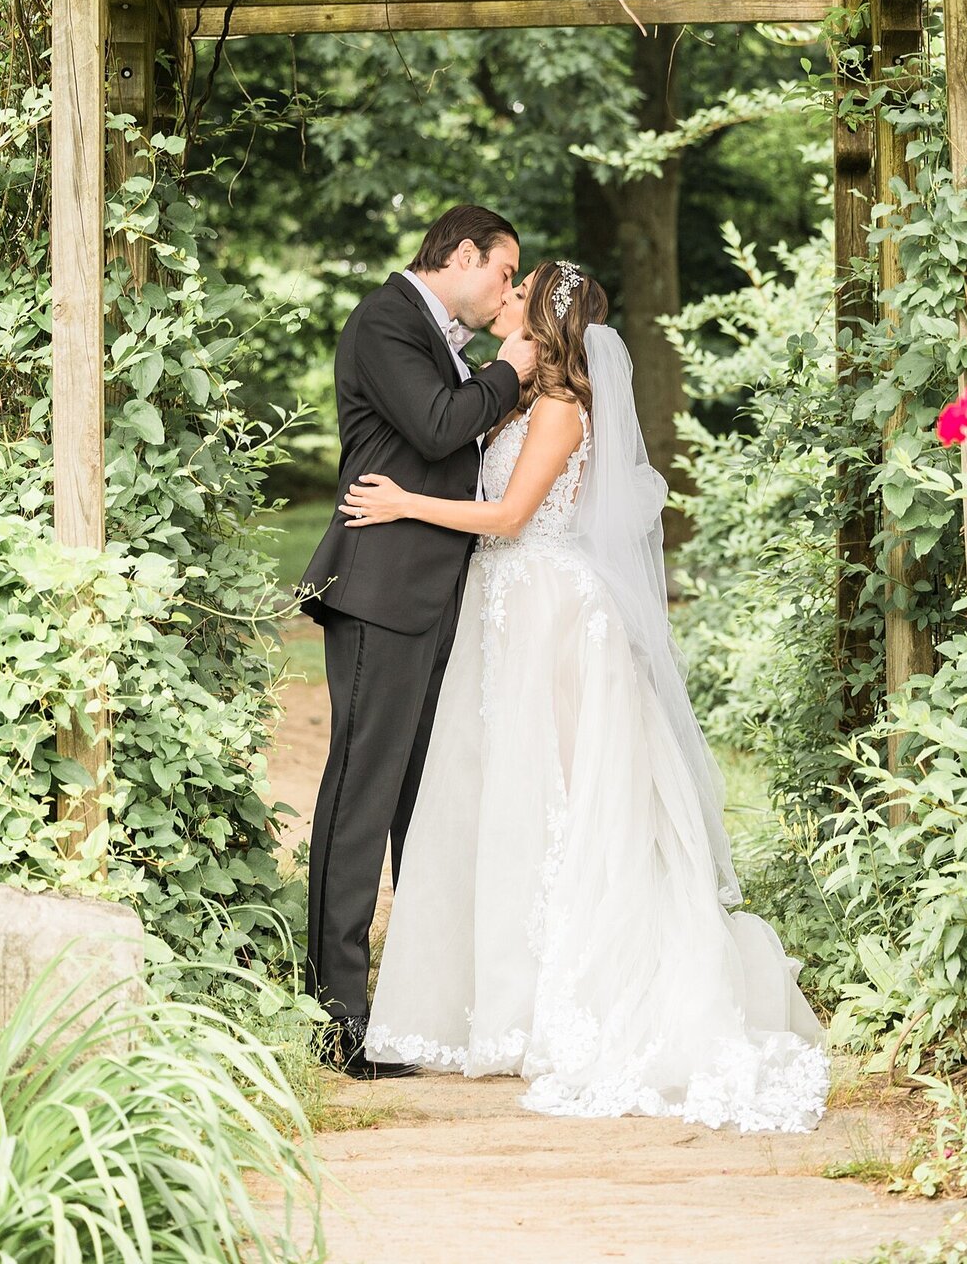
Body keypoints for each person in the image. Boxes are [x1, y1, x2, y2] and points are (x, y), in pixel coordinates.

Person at [338, 259, 829, 1131]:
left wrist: (405, 502)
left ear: (544, 316)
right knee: (517, 797)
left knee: (567, 797)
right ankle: (512, 999)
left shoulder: (564, 410)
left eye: (519, 289)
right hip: (509, 610)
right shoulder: (524, 399)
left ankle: (578, 994)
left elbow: (510, 518)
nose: (506, 293)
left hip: (555, 613)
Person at [297, 204, 537, 1079]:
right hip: (381, 593)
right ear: (463, 254)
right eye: (505, 273)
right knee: (362, 798)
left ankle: (410, 1008)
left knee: (420, 807)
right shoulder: (384, 320)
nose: (508, 289)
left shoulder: (439, 336)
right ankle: (336, 1020)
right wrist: (512, 369)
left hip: (439, 598)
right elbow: (440, 426)